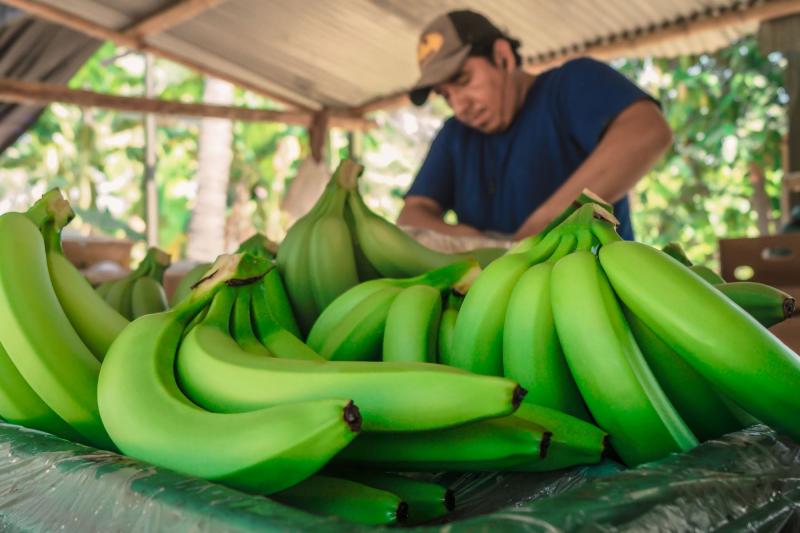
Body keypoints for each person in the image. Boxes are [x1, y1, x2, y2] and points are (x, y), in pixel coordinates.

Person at [397, 10, 674, 241]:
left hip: (599, 287)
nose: (459, 106)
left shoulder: (568, 86)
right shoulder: (455, 135)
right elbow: (413, 214)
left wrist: (535, 232)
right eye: (445, 95)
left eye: (463, 80)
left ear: (502, 57)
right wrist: (478, 243)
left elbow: (647, 130)